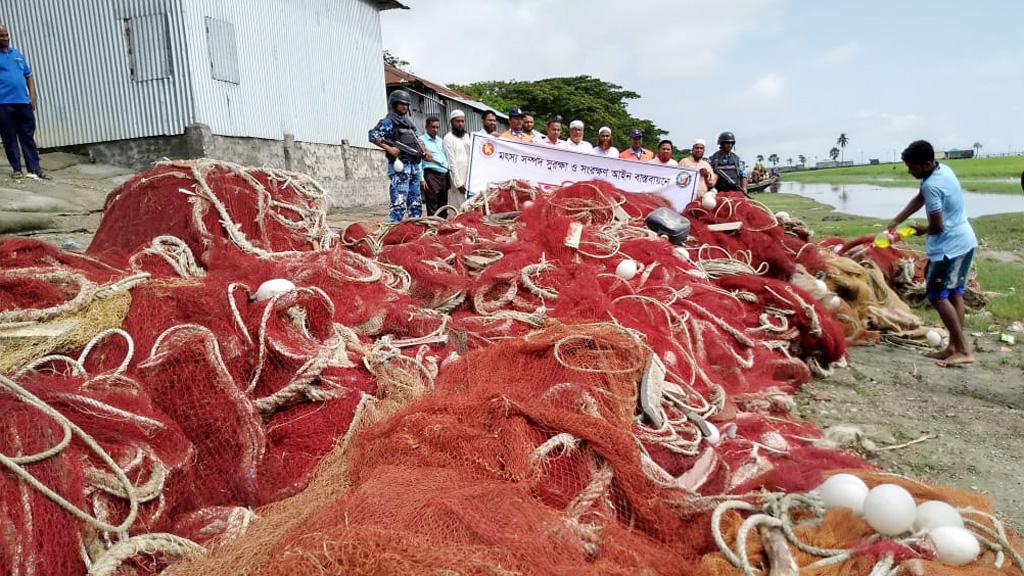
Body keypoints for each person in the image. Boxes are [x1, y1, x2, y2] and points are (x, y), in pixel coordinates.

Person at [887, 140, 978, 368]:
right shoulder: (942, 170)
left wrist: (918, 230)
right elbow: (920, 198)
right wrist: (898, 220)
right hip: (965, 241)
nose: (910, 172)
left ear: (927, 164)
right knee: (954, 293)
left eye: (913, 168)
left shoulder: (931, 186)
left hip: (949, 248)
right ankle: (954, 347)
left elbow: (937, 227)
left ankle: (964, 350)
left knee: (937, 295)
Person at [369, 89, 429, 222]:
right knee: (399, 202)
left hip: (413, 166)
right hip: (400, 166)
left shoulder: (409, 123)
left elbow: (418, 140)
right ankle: (394, 229)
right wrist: (389, 148)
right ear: (394, 104)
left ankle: (414, 230)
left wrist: (425, 151)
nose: (405, 107)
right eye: (401, 104)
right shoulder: (388, 121)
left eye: (407, 105)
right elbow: (373, 135)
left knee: (415, 202)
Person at [0, 25, 44, 180]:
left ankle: (34, 168)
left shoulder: (17, 54)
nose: (4, 38)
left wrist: (32, 95)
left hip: (23, 102)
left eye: (6, 35)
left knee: (27, 136)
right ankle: (17, 169)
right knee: (9, 136)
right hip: (4, 103)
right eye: (1, 36)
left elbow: (29, 75)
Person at [419, 116, 450, 216]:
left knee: (443, 203)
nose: (435, 130)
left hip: (444, 175)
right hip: (431, 175)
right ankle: (433, 227)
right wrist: (421, 178)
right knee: (433, 203)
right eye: (433, 127)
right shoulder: (421, 141)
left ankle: (443, 227)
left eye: (437, 127)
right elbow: (418, 161)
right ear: (426, 127)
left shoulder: (440, 141)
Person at [444, 109, 472, 207]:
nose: (460, 124)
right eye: (457, 121)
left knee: (471, 205)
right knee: (458, 206)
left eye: (462, 121)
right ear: (452, 122)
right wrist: (458, 183)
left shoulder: (468, 136)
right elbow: (451, 161)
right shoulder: (448, 138)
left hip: (470, 178)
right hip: (458, 179)